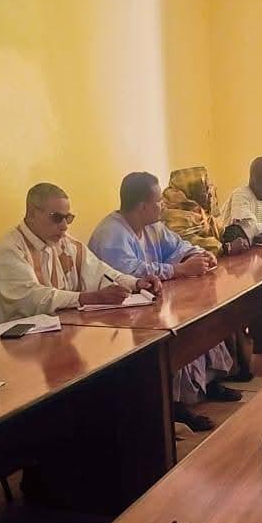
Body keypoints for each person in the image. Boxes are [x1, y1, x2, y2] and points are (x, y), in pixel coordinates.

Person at [89, 173, 239, 432]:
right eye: (158, 201)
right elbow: (130, 273)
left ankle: (207, 383)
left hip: (154, 301)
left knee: (200, 315)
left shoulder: (153, 226)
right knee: (175, 333)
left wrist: (200, 254)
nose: (163, 205)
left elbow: (179, 246)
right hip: (119, 317)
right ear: (142, 206)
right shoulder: (111, 235)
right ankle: (174, 404)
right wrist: (179, 270)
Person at [0, 184, 159, 328]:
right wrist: (86, 298)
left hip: (55, 333)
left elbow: (101, 273)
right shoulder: (7, 250)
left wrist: (136, 283)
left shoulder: (65, 244)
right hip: (13, 346)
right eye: (57, 217)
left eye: (68, 218)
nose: (64, 226)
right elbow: (30, 298)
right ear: (32, 213)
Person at [161, 166, 222, 255]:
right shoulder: (173, 217)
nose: (210, 194)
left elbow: (220, 229)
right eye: (205, 189)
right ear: (190, 192)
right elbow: (190, 247)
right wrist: (226, 247)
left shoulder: (198, 211)